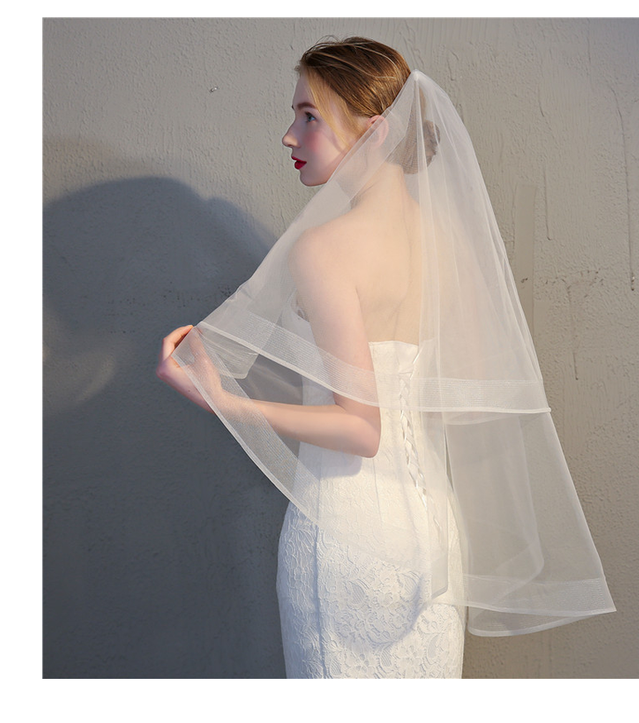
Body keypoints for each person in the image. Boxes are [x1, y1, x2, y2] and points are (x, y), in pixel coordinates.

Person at [157, 37, 615, 679]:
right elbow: (457, 397)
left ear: (375, 132)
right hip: (430, 537)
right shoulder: (447, 240)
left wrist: (226, 402)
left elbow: (361, 428)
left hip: (346, 536)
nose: (289, 136)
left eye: (309, 117)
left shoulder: (323, 248)